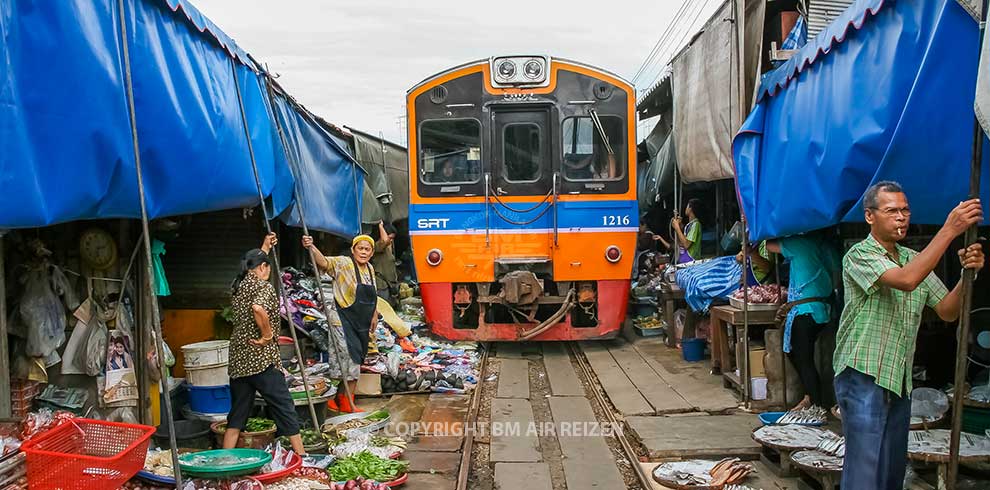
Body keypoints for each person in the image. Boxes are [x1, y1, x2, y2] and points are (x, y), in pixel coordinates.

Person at [833, 182, 984, 489]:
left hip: (898, 379)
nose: (901, 217)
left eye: (905, 210)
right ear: (870, 217)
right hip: (863, 375)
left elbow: (947, 311)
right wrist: (949, 230)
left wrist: (969, 274)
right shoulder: (858, 255)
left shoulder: (913, 258)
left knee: (891, 472)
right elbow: (906, 280)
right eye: (891, 211)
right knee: (864, 473)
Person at [225, 233, 305, 455]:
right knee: (284, 407)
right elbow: (258, 309)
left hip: (239, 361)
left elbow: (257, 264)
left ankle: (224, 457)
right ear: (262, 268)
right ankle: (302, 455)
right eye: (267, 267)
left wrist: (265, 247)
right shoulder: (264, 287)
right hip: (262, 360)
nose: (269, 272)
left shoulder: (239, 284)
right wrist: (267, 336)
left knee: (238, 414)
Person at [302, 233, 378, 413]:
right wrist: (311, 247)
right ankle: (342, 401)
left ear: (372, 253)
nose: (364, 252)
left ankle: (341, 399)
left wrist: (374, 314)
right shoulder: (344, 263)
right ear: (353, 250)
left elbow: (373, 294)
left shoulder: (370, 269)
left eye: (367, 249)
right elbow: (324, 263)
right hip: (341, 320)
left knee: (356, 358)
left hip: (360, 322)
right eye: (360, 248)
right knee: (347, 359)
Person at [764, 233, 841, 410]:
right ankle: (810, 397)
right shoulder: (827, 245)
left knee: (803, 359)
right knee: (799, 355)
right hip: (823, 310)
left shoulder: (798, 243)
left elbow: (770, 246)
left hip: (805, 311)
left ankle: (815, 403)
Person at [372, 220, 399, 306]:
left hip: (389, 285)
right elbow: (385, 240)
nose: (390, 241)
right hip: (381, 286)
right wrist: (381, 226)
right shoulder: (377, 246)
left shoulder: (389, 248)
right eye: (390, 238)